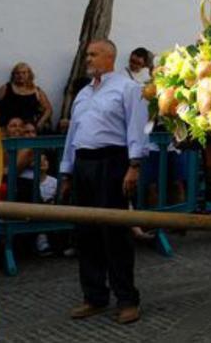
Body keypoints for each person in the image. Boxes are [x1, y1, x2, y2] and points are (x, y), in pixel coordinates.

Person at [59, 40, 149, 325]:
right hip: (83, 164)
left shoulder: (127, 88)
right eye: (87, 55)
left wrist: (133, 166)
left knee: (115, 233)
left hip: (112, 162)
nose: (88, 59)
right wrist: (66, 172)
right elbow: (73, 134)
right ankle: (94, 296)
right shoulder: (84, 93)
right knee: (86, 232)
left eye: (93, 54)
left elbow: (138, 127)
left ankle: (127, 299)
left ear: (109, 57)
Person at [0, 62, 54, 132]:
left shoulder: (37, 91)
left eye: (24, 73)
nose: (20, 76)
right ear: (13, 75)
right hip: (10, 129)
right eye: (17, 73)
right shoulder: (5, 88)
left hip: (29, 130)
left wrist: (40, 123)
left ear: (29, 74)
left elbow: (48, 109)